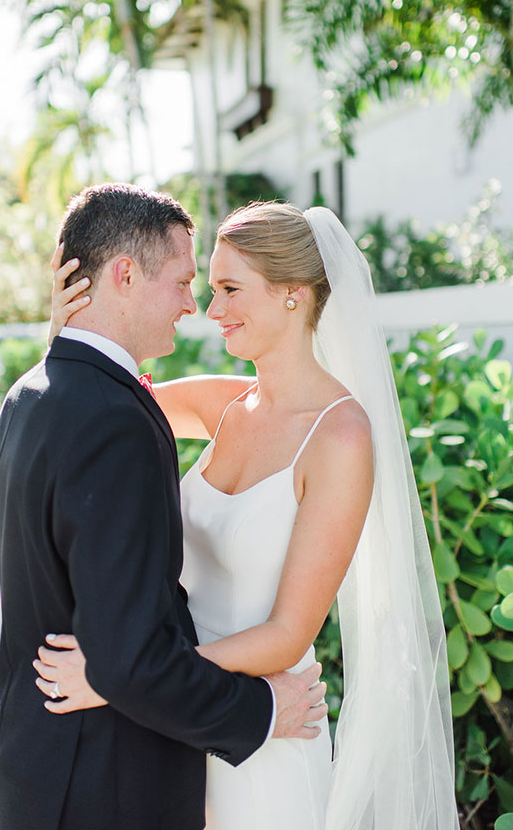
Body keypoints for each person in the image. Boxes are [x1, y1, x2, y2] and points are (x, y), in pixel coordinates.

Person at [38, 200, 460, 830]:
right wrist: (66, 329)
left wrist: (121, 678)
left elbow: (288, 634)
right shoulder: (226, 403)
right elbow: (95, 403)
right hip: (180, 724)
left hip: (265, 733)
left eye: (231, 289)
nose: (211, 311)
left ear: (293, 294)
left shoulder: (340, 437)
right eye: (209, 289)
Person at [0, 183, 328, 830]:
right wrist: (261, 712)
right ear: (123, 274)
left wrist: (64, 337)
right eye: (182, 281)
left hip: (33, 767)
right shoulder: (113, 422)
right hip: (104, 787)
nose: (193, 304)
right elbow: (130, 660)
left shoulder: (28, 396)